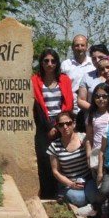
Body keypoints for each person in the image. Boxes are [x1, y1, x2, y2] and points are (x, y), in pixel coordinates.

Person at [31, 48, 74, 198]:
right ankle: (47, 195)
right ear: (41, 63)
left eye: (53, 61)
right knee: (45, 160)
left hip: (63, 124)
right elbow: (37, 106)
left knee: (63, 159)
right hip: (43, 126)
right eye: (46, 61)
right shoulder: (35, 80)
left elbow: (68, 103)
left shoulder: (64, 79)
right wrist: (49, 126)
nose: (50, 64)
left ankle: (64, 192)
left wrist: (58, 126)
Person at [47, 111, 97, 216]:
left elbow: (92, 157)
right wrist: (71, 184)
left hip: (87, 179)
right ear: (57, 127)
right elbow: (55, 171)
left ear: (73, 123)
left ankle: (93, 211)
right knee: (79, 199)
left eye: (68, 123)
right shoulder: (54, 146)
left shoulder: (82, 138)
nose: (65, 127)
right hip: (69, 182)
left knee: (94, 195)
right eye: (61, 125)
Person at [85, 82, 109, 218]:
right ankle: (103, 216)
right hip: (96, 154)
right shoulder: (92, 115)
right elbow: (89, 137)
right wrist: (88, 154)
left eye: (104, 96)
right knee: (100, 185)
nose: (101, 99)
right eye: (97, 96)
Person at [61, 35, 96, 116]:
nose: (80, 48)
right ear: (72, 47)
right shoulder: (65, 65)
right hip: (72, 110)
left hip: (91, 108)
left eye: (82, 45)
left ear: (87, 47)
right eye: (77, 45)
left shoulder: (93, 63)